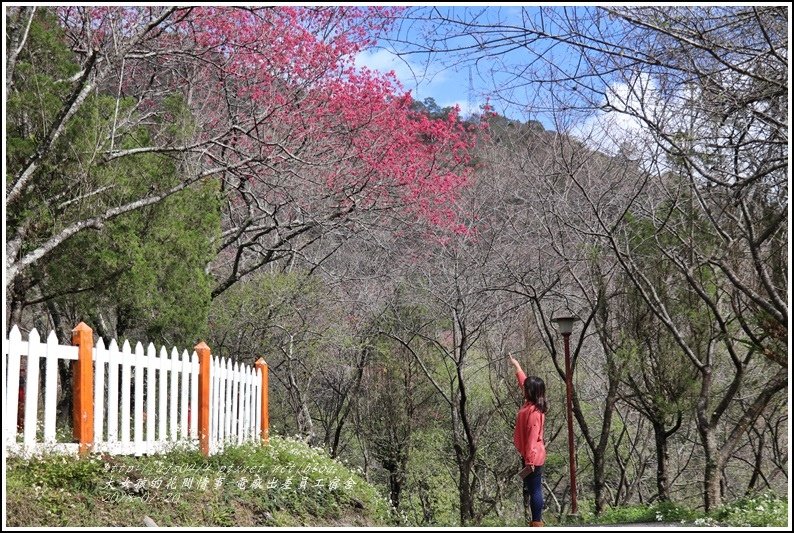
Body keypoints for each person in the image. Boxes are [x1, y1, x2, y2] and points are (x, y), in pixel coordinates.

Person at [509, 354, 547, 527]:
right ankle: (536, 521)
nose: (523, 389)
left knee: (535, 490)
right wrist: (517, 366)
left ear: (531, 391)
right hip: (530, 454)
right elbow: (523, 381)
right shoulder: (530, 404)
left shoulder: (533, 413)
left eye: (526, 388)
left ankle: (537, 523)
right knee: (532, 489)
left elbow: (532, 439)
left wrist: (529, 462)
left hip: (533, 456)